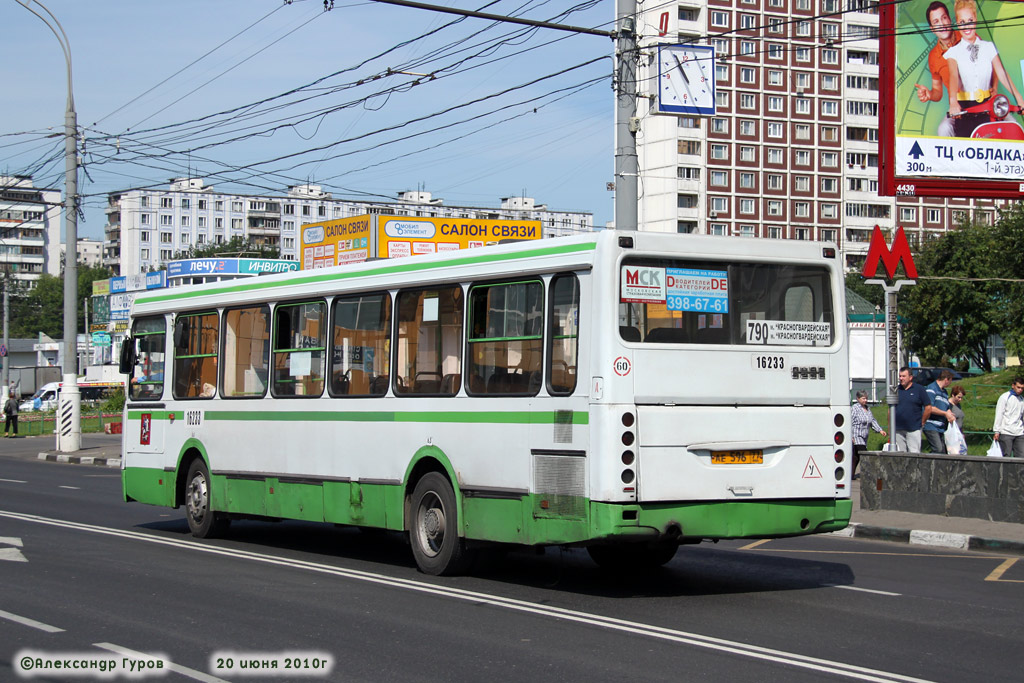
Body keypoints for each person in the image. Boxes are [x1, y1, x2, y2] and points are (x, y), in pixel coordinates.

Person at [945, 0, 1024, 137]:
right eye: (962, 22)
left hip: (989, 106)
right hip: (966, 109)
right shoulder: (953, 52)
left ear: (976, 20)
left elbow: (1002, 73)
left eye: (970, 20)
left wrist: (1019, 98)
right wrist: (953, 102)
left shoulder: (988, 47)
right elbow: (953, 76)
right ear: (957, 24)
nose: (966, 26)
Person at [914, 1, 961, 136]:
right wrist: (929, 94)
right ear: (932, 29)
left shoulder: (966, 36)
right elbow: (938, 92)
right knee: (943, 129)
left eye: (944, 18)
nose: (942, 24)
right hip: (958, 108)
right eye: (936, 21)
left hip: (982, 101)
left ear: (949, 19)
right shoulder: (934, 56)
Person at [894, 366, 930, 452]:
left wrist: (923, 421)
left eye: (903, 376)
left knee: (914, 454)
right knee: (900, 455)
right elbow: (890, 409)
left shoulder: (919, 389)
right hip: (898, 429)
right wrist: (890, 427)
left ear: (910, 377)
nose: (901, 378)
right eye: (900, 376)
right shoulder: (896, 390)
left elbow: (928, 407)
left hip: (914, 428)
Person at [851, 390, 886, 479]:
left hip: (865, 436)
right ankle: (868, 473)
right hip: (856, 435)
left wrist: (880, 430)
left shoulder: (867, 409)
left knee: (856, 457)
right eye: (863, 398)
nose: (865, 400)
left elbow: (872, 420)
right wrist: (850, 435)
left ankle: (850, 475)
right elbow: (849, 422)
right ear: (858, 399)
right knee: (864, 453)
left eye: (866, 398)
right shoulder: (855, 408)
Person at [923, 369, 958, 453]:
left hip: (941, 427)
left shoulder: (944, 392)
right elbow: (929, 407)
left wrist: (950, 414)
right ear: (946, 380)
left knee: (943, 451)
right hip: (931, 424)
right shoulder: (932, 388)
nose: (950, 383)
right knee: (937, 449)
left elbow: (946, 407)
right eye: (950, 381)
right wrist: (945, 414)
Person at [992, 376, 1024, 457]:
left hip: (1019, 432)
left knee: (1021, 456)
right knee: (1006, 456)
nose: (1020, 390)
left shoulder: (1021, 399)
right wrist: (997, 431)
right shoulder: (1005, 397)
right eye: (1018, 387)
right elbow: (999, 414)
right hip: (1006, 432)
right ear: (1013, 386)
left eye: (1022, 388)